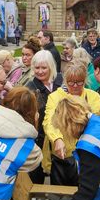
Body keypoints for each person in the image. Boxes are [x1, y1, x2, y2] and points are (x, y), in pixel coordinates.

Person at [43, 63, 100, 185]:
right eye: (71, 82)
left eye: (79, 82)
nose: (75, 86)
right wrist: (57, 139)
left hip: (88, 154)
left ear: (85, 81)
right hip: (63, 156)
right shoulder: (55, 97)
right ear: (65, 81)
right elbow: (48, 122)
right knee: (60, 195)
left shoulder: (94, 97)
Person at [25, 50, 62, 183]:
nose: (40, 71)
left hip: (60, 137)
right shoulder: (30, 88)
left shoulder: (61, 81)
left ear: (51, 67)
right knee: (37, 175)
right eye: (37, 67)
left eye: (44, 67)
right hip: (40, 139)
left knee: (60, 174)